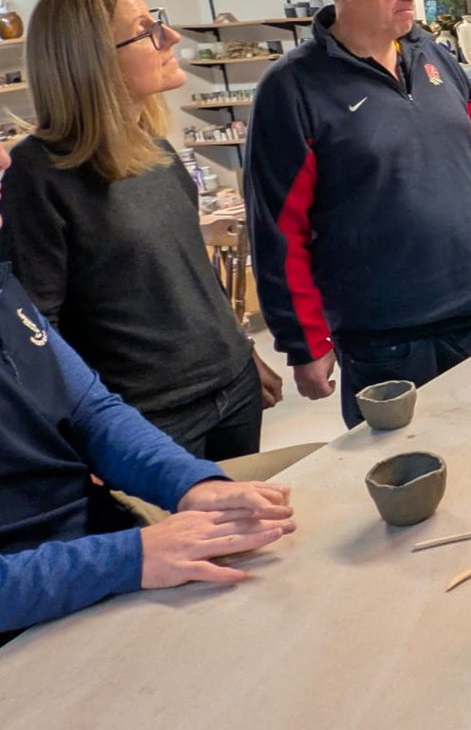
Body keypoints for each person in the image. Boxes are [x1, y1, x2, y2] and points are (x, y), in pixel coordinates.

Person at [0, 139, 296, 640]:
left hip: (107, 559)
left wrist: (191, 485)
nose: (5, 158)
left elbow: (93, 412)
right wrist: (129, 558)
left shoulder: (5, 291)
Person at [245, 0, 471, 429]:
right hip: (388, 341)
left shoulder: (435, 58)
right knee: (409, 467)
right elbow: (278, 229)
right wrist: (304, 340)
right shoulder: (293, 88)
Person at [0, 0, 283, 462]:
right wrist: (75, 436)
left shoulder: (154, 147)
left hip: (232, 391)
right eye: (146, 29)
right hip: (152, 419)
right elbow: (37, 331)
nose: (170, 37)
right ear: (91, 58)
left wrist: (241, 349)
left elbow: (192, 271)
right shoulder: (38, 174)